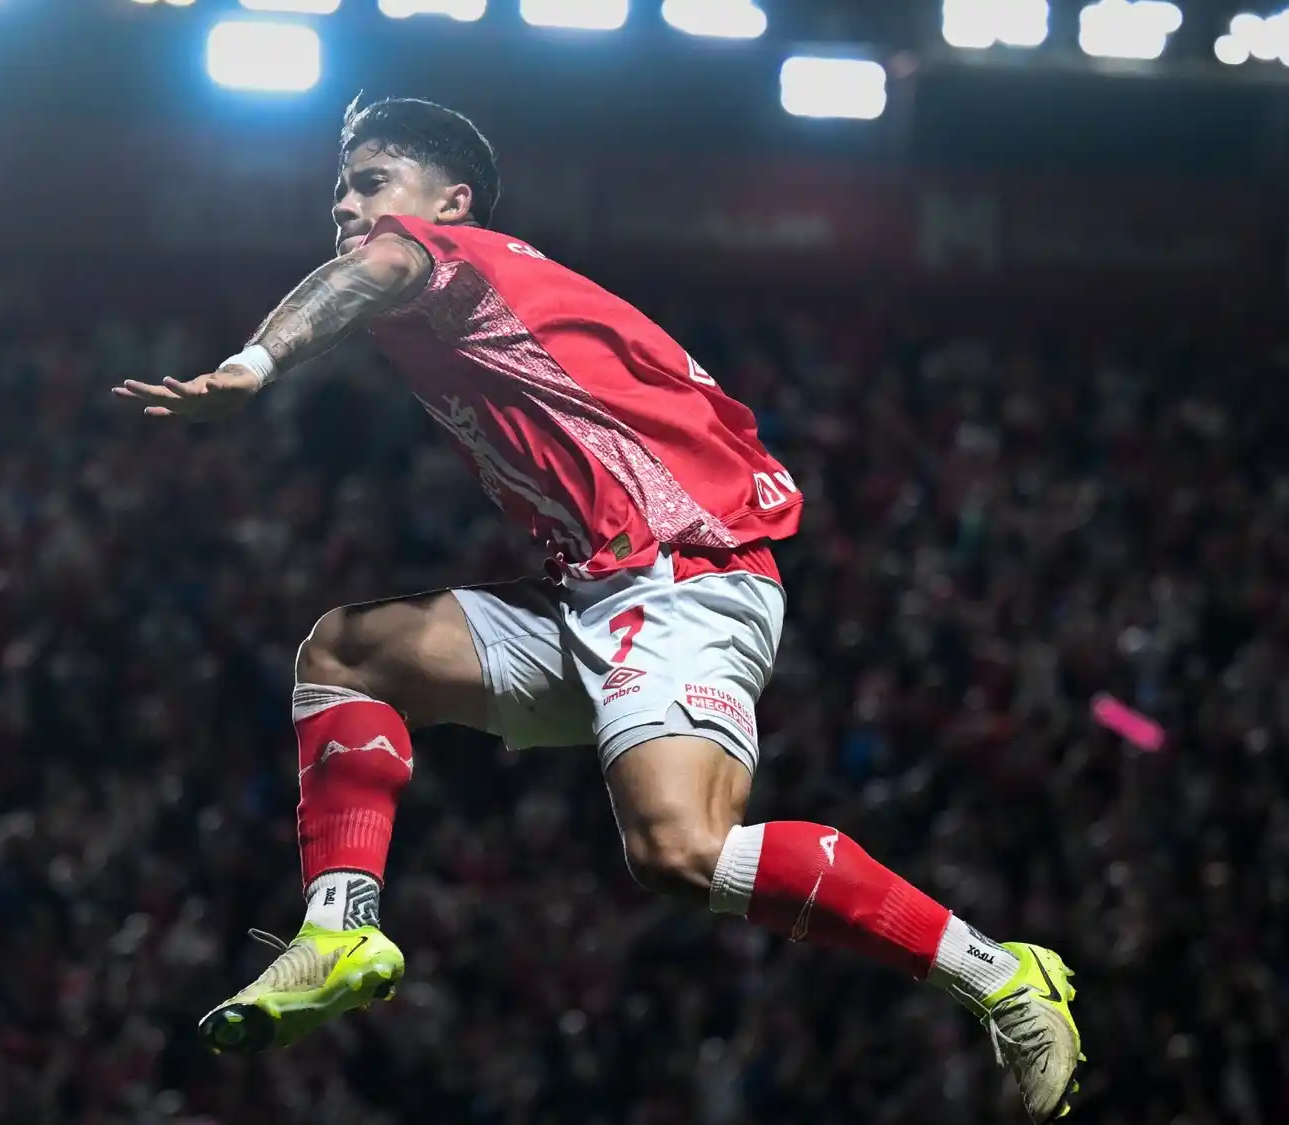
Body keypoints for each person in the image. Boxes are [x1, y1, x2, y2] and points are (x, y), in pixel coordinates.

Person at [113, 96, 1084, 1123]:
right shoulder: (463, 291)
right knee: (348, 655)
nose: (349, 210)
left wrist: (251, 366)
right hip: (591, 586)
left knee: (680, 852)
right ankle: (340, 929)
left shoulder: (440, 256)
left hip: (682, 573)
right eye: (340, 192)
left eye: (370, 184)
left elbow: (374, 270)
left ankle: (1000, 979)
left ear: (450, 202)